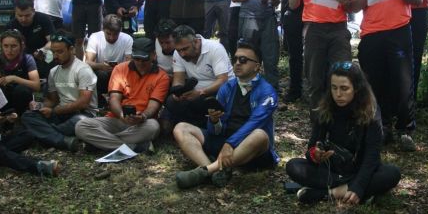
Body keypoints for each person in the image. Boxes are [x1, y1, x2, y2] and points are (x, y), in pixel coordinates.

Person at [349, 0, 424, 151]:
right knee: (374, 82)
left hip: (399, 31)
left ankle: (405, 129)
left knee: (402, 81)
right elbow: (354, 6)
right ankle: (382, 127)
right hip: (371, 34)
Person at [285, 62, 400, 204]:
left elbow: (372, 155)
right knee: (294, 166)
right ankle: (355, 191)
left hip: (359, 169)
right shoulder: (326, 109)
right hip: (332, 171)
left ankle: (327, 193)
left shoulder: (371, 111)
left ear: (356, 88)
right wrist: (316, 155)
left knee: (392, 173)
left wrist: (358, 186)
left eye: (344, 88)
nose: (338, 94)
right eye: (334, 88)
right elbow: (311, 148)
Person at [173, 40, 278, 189]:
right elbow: (214, 131)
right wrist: (215, 121)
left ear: (257, 66)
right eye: (235, 59)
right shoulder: (227, 87)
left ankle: (205, 171)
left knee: (260, 135)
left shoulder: (267, 92)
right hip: (225, 142)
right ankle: (214, 170)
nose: (237, 63)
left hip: (251, 150)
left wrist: (230, 144)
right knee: (181, 128)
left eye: (243, 60)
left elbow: (255, 123)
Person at [289, 0, 353, 122]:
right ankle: (318, 126)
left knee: (343, 76)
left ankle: (341, 124)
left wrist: (346, 2)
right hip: (314, 29)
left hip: (338, 30)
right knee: (315, 80)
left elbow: (352, 8)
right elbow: (292, 5)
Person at [75, 38, 170, 151]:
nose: (140, 63)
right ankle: (134, 147)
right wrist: (121, 115)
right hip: (117, 119)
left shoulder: (162, 76)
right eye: (136, 59)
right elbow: (114, 98)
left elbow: (153, 106)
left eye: (144, 59)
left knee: (153, 127)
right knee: (81, 126)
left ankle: (101, 143)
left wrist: (143, 116)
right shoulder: (120, 69)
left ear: (153, 55)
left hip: (142, 123)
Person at [21, 30, 98, 151]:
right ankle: (62, 140)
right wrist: (39, 104)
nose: (55, 56)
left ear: (71, 49)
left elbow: (83, 103)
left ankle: (45, 135)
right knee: (28, 116)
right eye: (53, 52)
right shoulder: (53, 71)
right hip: (61, 113)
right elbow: (53, 100)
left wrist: (54, 111)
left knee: (78, 122)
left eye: (60, 52)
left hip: (83, 114)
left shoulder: (83, 70)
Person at [160, 25, 234, 134]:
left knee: (202, 102)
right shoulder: (178, 54)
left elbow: (223, 80)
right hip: (195, 92)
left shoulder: (215, 48)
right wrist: (178, 92)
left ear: (196, 42)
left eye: (185, 49)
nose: (182, 54)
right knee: (171, 101)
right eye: (179, 50)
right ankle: (193, 124)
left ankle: (199, 125)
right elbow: (178, 79)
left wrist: (201, 92)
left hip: (221, 91)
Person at [84, 14, 133, 106]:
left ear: (120, 31)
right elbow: (87, 62)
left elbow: (129, 62)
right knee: (99, 75)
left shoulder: (127, 39)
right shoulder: (95, 37)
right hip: (101, 74)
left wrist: (118, 68)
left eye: (115, 34)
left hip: (121, 73)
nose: (111, 37)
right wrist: (101, 66)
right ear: (103, 30)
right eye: (108, 34)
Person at [6, 0, 56, 79]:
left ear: (33, 11)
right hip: (21, 57)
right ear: (15, 13)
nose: (23, 19)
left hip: (42, 55)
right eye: (20, 16)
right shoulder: (11, 25)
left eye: (27, 15)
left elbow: (53, 41)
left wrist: (43, 50)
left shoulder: (43, 19)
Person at [0, 30, 41, 116]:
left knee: (21, 90)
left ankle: (22, 118)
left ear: (21, 46)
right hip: (4, 99)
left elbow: (37, 86)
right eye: (5, 46)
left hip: (24, 98)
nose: (9, 50)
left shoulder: (27, 59)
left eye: (14, 46)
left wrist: (14, 78)